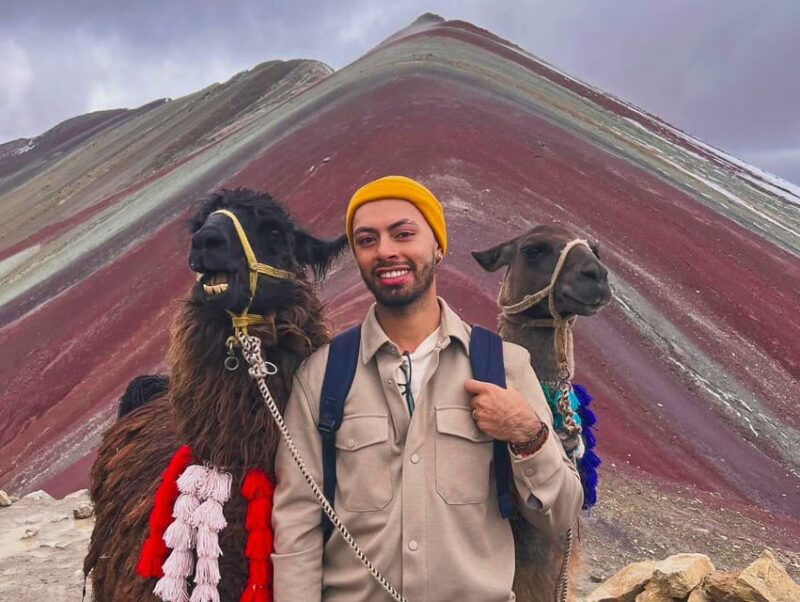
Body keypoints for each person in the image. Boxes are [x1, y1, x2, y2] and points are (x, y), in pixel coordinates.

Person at [271, 175, 584, 601]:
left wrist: (529, 435)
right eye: (367, 240)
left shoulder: (505, 366)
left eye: (403, 234)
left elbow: (561, 515)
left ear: (437, 245)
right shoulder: (322, 377)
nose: (385, 251)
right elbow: (297, 525)